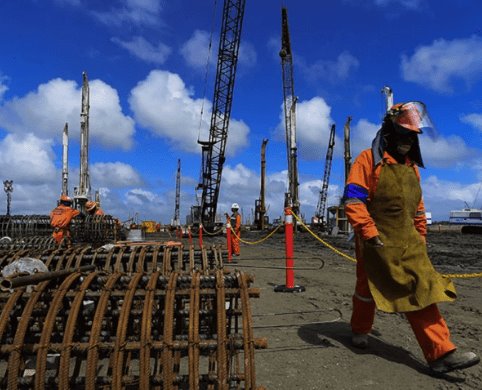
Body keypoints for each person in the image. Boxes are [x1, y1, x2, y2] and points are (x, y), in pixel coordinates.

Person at [343, 101, 479, 374]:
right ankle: (360, 329)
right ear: (390, 132)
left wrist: (421, 238)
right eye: (403, 135)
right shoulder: (368, 160)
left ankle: (441, 354)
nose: (407, 142)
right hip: (375, 241)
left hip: (408, 241)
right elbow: (353, 200)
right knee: (366, 287)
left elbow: (417, 207)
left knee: (419, 288)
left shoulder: (410, 167)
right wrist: (369, 234)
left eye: (412, 137)